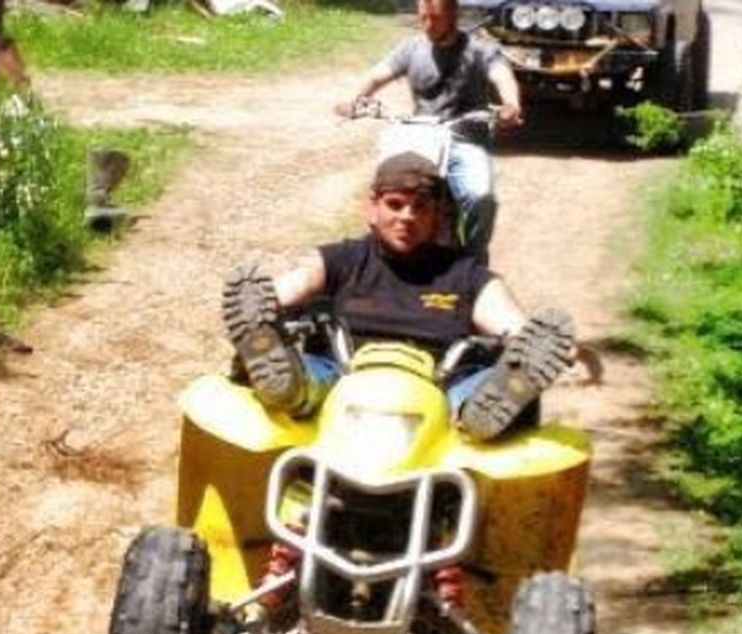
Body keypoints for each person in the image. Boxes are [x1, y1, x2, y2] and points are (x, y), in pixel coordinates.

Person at [220, 151, 573, 443]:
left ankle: (484, 409)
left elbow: (506, 318)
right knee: (308, 374)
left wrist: (531, 341)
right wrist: (262, 310)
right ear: (372, 208)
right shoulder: (342, 259)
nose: (407, 217)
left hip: (438, 387)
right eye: (395, 204)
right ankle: (288, 385)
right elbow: (296, 284)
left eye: (420, 207)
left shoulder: (465, 275)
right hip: (342, 377)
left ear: (437, 215)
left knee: (479, 388)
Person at [344, 0, 522, 259]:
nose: (428, 25)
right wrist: (352, 99)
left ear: (453, 14)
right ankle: (380, 256)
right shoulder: (412, 48)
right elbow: (375, 76)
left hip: (465, 139)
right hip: (422, 136)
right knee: (387, 186)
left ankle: (474, 260)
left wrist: (511, 104)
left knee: (481, 196)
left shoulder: (480, 49)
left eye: (435, 18)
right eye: (423, 18)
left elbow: (502, 75)